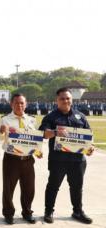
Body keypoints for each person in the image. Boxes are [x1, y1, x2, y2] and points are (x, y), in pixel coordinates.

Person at [39, 87, 95, 224]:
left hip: (77, 160)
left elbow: (88, 136)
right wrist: (55, 132)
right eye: (62, 98)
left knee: (77, 187)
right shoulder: (51, 117)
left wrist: (90, 147)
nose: (65, 101)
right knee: (53, 186)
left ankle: (78, 211)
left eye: (68, 98)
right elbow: (43, 134)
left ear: (72, 99)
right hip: (58, 160)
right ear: (57, 100)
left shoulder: (80, 116)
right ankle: (48, 211)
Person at [0, 93, 40, 225]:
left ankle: (27, 212)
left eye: (22, 103)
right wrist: (2, 131)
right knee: (8, 189)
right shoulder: (5, 119)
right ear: (11, 104)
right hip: (11, 159)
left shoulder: (32, 120)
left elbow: (35, 139)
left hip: (28, 159)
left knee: (29, 188)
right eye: (16, 103)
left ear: (26, 104)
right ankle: (8, 214)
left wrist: (38, 151)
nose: (19, 105)